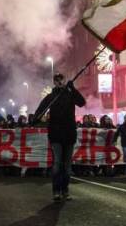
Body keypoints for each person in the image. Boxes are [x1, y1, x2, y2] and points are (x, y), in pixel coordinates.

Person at [32, 73, 86, 201]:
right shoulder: (51, 97)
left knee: (67, 165)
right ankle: (56, 191)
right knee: (57, 163)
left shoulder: (70, 94)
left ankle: (65, 191)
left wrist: (73, 89)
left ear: (65, 80)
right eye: (57, 80)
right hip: (56, 134)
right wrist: (34, 120)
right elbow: (40, 110)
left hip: (69, 134)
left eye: (61, 79)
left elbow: (82, 103)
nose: (59, 81)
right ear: (54, 82)